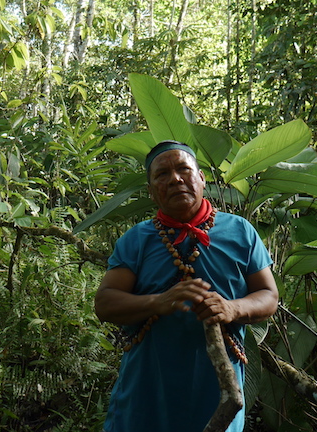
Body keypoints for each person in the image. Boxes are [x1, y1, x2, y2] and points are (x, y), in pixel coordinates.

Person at [94, 140, 279, 432]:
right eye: (162, 174)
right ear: (152, 189)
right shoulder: (136, 239)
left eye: (184, 169)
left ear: (202, 178)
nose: (175, 179)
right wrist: (157, 302)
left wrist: (232, 308)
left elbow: (269, 296)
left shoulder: (241, 231)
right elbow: (104, 303)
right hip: (147, 388)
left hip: (217, 388)